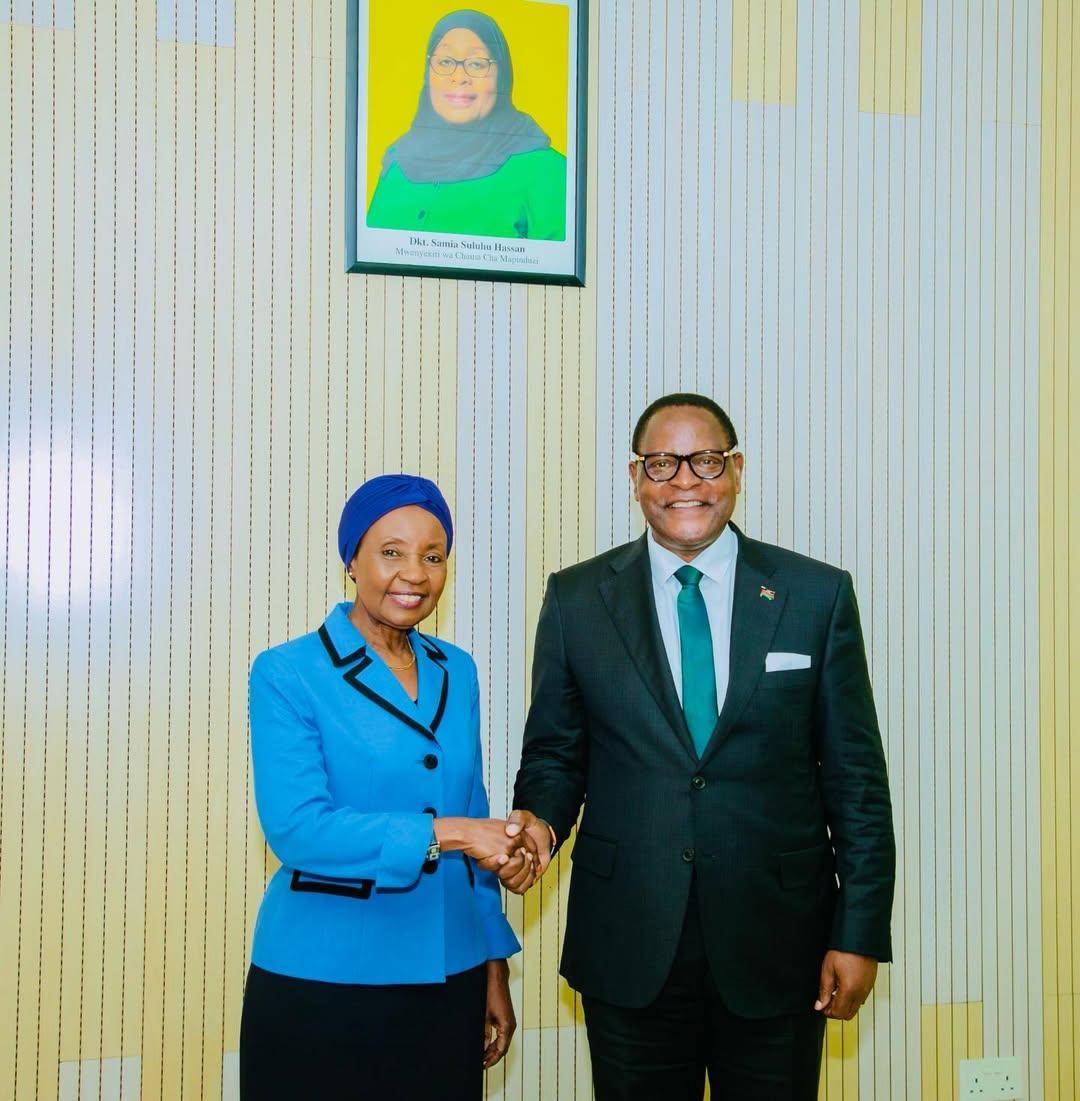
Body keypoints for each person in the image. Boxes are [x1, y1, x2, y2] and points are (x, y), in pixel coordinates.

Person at [505, 394, 896, 1099]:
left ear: (736, 469)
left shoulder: (815, 595)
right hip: (629, 940)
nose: (684, 480)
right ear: (635, 477)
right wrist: (539, 824)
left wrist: (859, 932)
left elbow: (856, 780)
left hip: (779, 944)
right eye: (662, 463)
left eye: (706, 461)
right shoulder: (576, 599)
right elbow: (556, 756)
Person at [239, 474, 536, 1099]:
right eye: (391, 552)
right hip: (324, 979)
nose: (415, 574)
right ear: (352, 560)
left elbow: (473, 808)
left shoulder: (457, 669)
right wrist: (450, 834)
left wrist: (492, 962)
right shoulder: (288, 672)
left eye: (433, 556)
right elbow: (298, 829)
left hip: (450, 974)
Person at [366, 9, 567, 240]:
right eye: (445, 61)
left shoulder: (547, 172)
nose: (459, 77)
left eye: (477, 64)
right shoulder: (398, 163)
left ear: (502, 76)